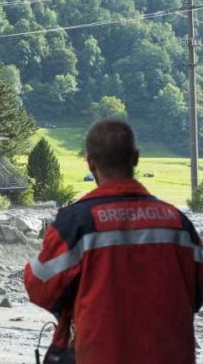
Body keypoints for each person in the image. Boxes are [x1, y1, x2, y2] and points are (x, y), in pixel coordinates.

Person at [24, 119, 203, 364]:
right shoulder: (178, 224)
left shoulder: (76, 223)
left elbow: (39, 284)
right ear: (136, 158)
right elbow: (197, 290)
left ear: (90, 162)